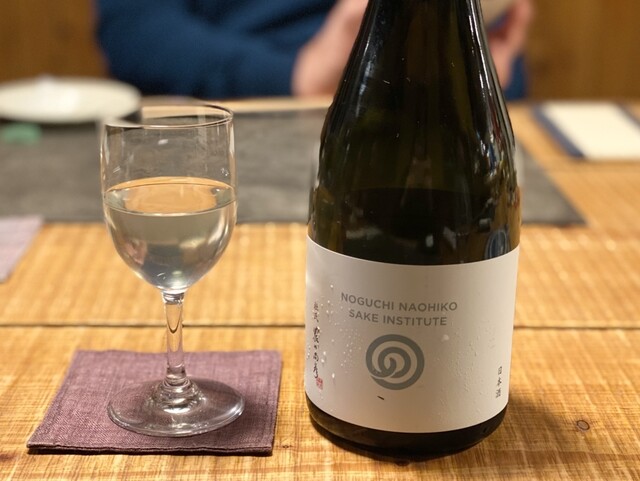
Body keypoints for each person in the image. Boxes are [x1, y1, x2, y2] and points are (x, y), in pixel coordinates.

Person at [95, 0, 532, 100]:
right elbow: (133, 30)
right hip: (236, 119)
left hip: (430, 110)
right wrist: (296, 75)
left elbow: (505, 61)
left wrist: (471, 63)